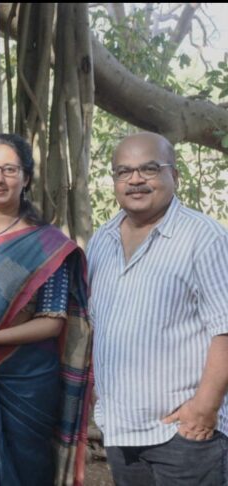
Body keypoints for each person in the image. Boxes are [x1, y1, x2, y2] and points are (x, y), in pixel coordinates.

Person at [0, 133, 92, 485]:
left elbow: (52, 322)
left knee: (24, 472)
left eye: (9, 170)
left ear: (26, 177)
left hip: (24, 380)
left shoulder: (47, 243)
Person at [88, 132, 228, 485]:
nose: (135, 179)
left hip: (185, 436)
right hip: (122, 432)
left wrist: (204, 410)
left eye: (149, 169)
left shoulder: (204, 237)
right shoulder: (101, 241)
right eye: (124, 171)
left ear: (174, 176)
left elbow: (225, 328)